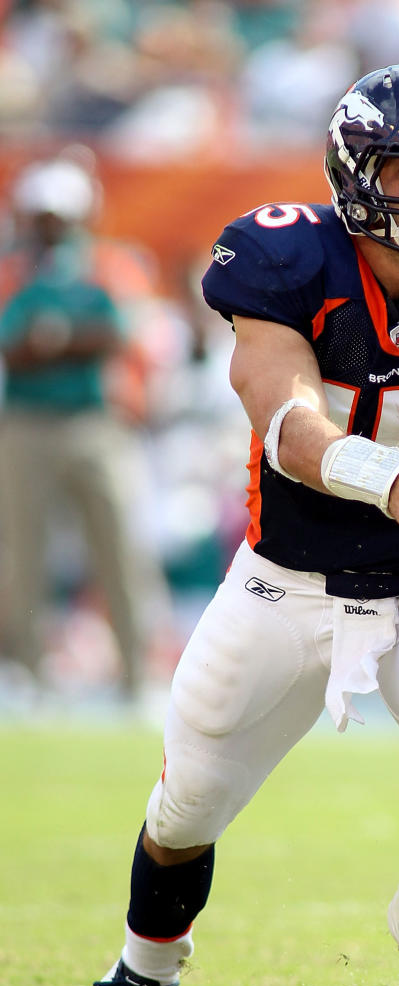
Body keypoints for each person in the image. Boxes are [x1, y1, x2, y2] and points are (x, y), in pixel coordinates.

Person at [37, 64, 399, 986]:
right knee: (185, 804)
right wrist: (386, 477)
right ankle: (140, 979)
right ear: (357, 170)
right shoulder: (282, 255)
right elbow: (285, 422)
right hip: (287, 579)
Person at [0, 153, 168, 703]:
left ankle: (136, 675)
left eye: (61, 215)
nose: (52, 226)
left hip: (97, 420)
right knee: (23, 553)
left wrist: (50, 340)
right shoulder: (11, 267)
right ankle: (27, 669)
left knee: (121, 549)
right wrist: (61, 341)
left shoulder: (109, 263)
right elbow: (14, 347)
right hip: (25, 421)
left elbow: (115, 333)